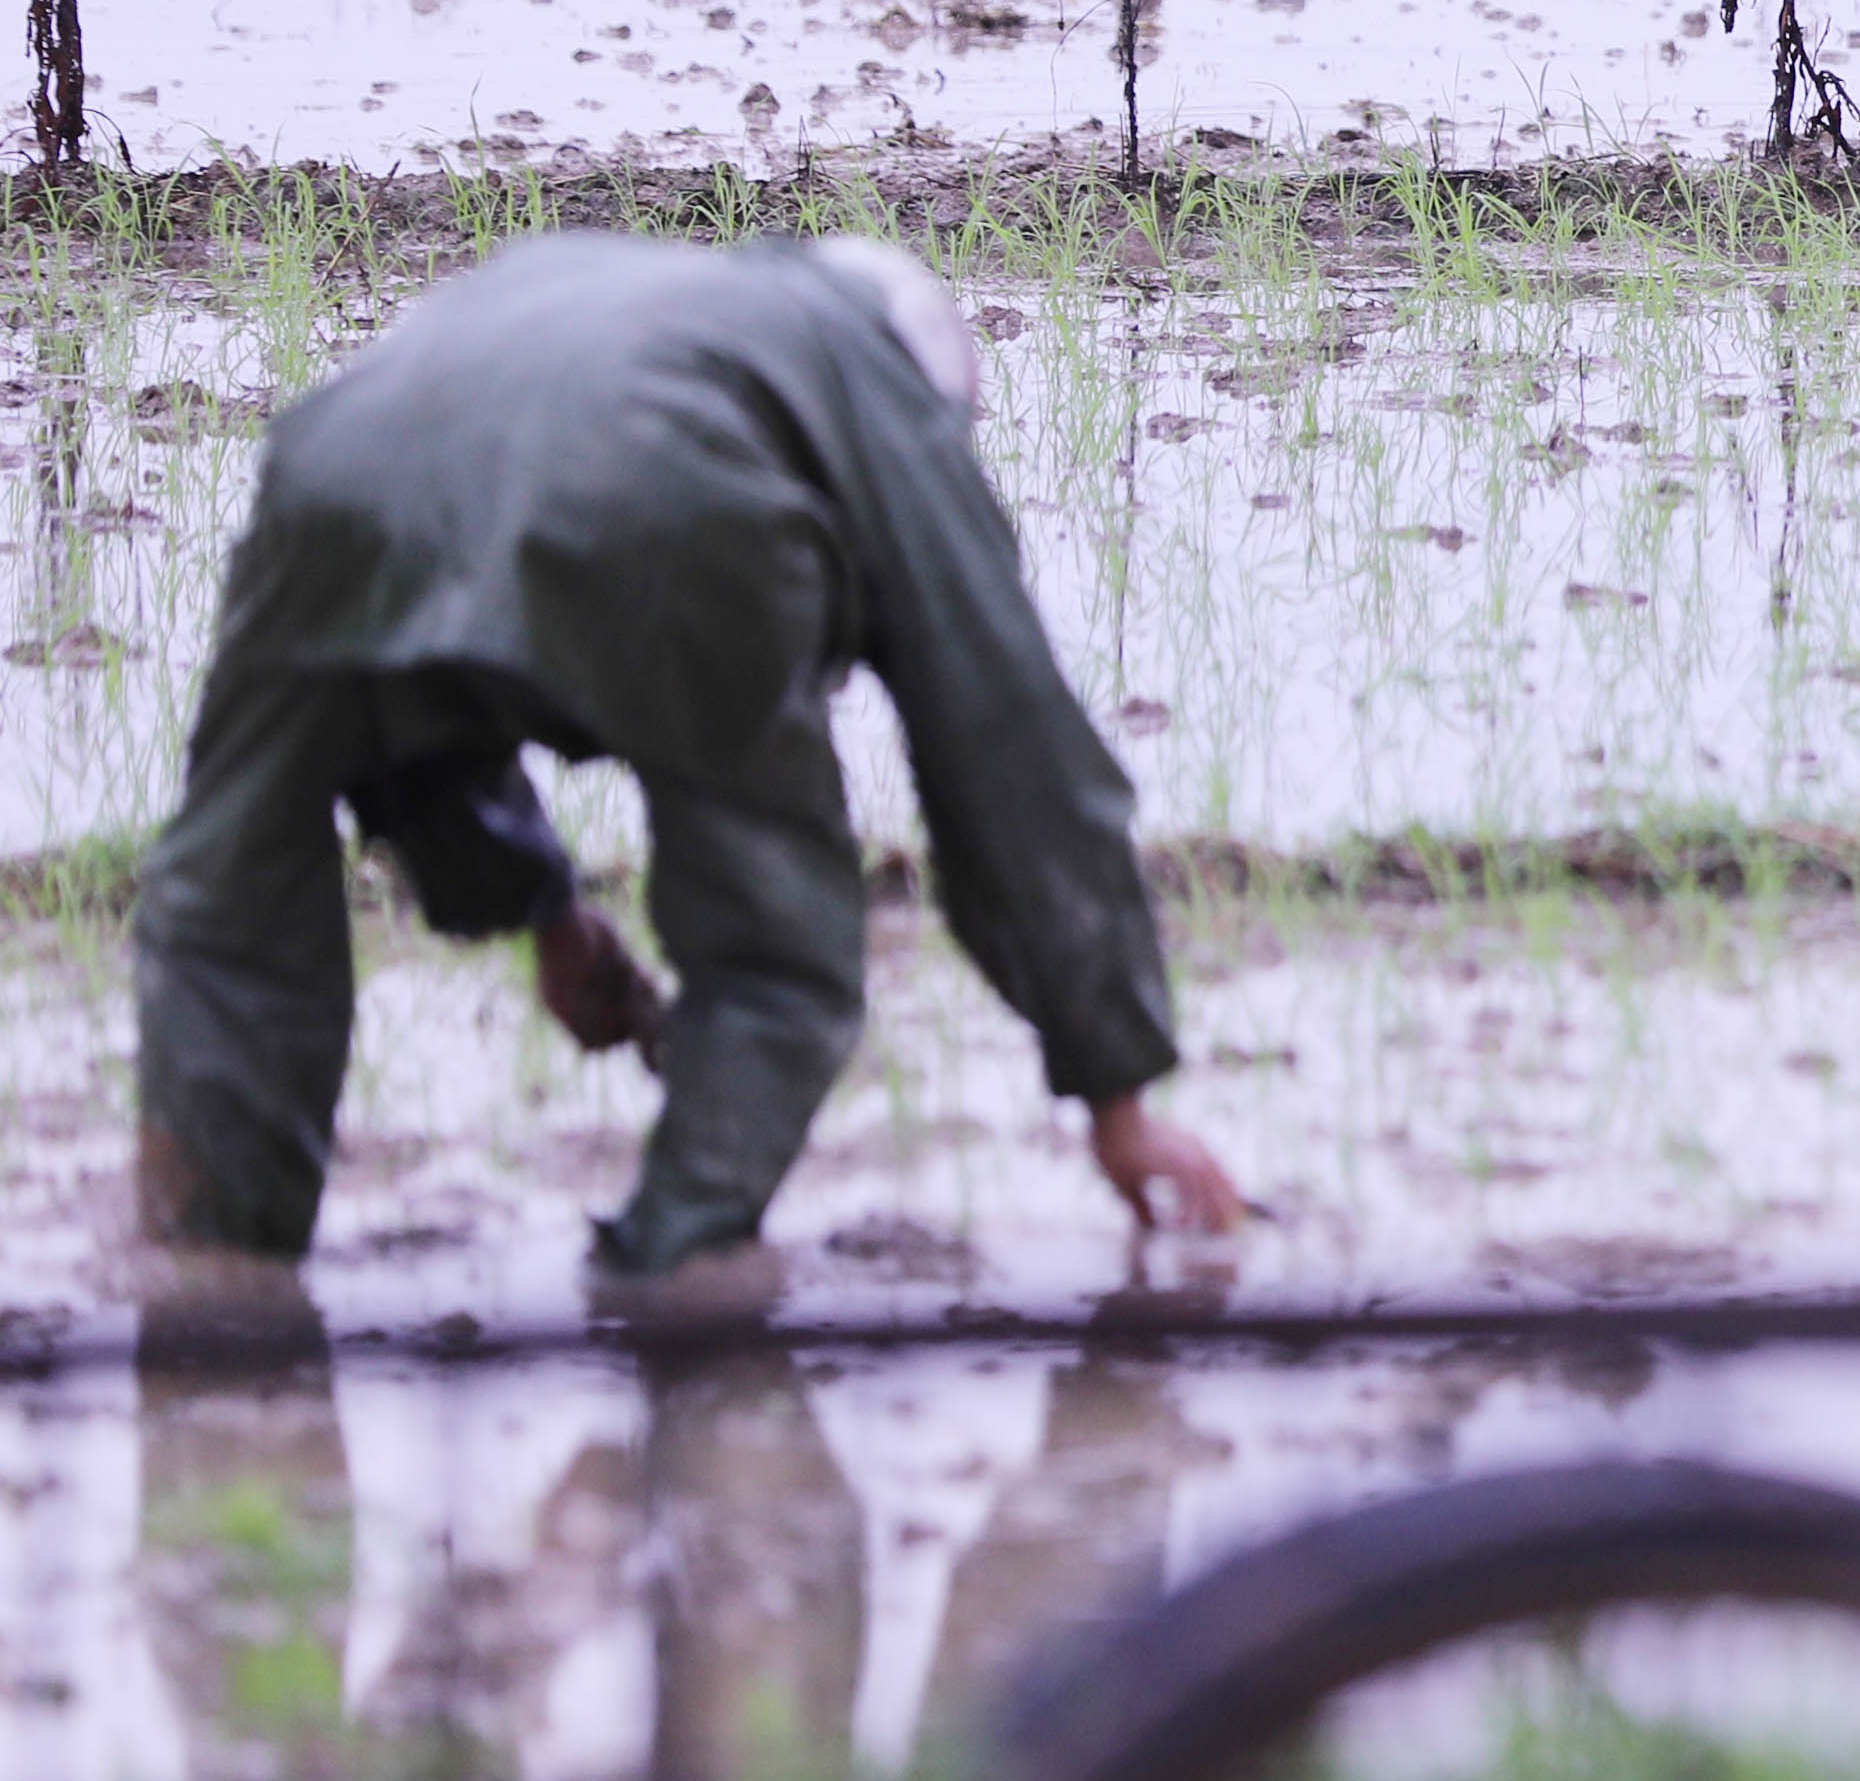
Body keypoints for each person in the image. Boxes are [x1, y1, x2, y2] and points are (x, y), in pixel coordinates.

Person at [130, 232, 1243, 1283]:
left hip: (331, 458)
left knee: (235, 873)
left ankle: (203, 1281)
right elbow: (1009, 742)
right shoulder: (874, 377)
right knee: (779, 959)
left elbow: (426, 691)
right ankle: (665, 1276)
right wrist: (1118, 1097)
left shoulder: (645, 297)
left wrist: (547, 914)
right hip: (656, 485)